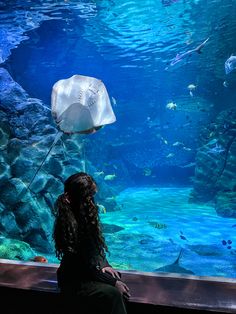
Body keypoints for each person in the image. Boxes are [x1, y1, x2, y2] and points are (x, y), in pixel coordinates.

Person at [53, 172, 130, 314]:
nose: (93, 201)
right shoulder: (69, 224)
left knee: (116, 278)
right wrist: (113, 282)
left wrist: (105, 264)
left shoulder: (86, 216)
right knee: (113, 293)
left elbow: (95, 248)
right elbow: (83, 265)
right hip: (74, 280)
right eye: (90, 196)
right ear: (80, 197)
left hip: (87, 274)